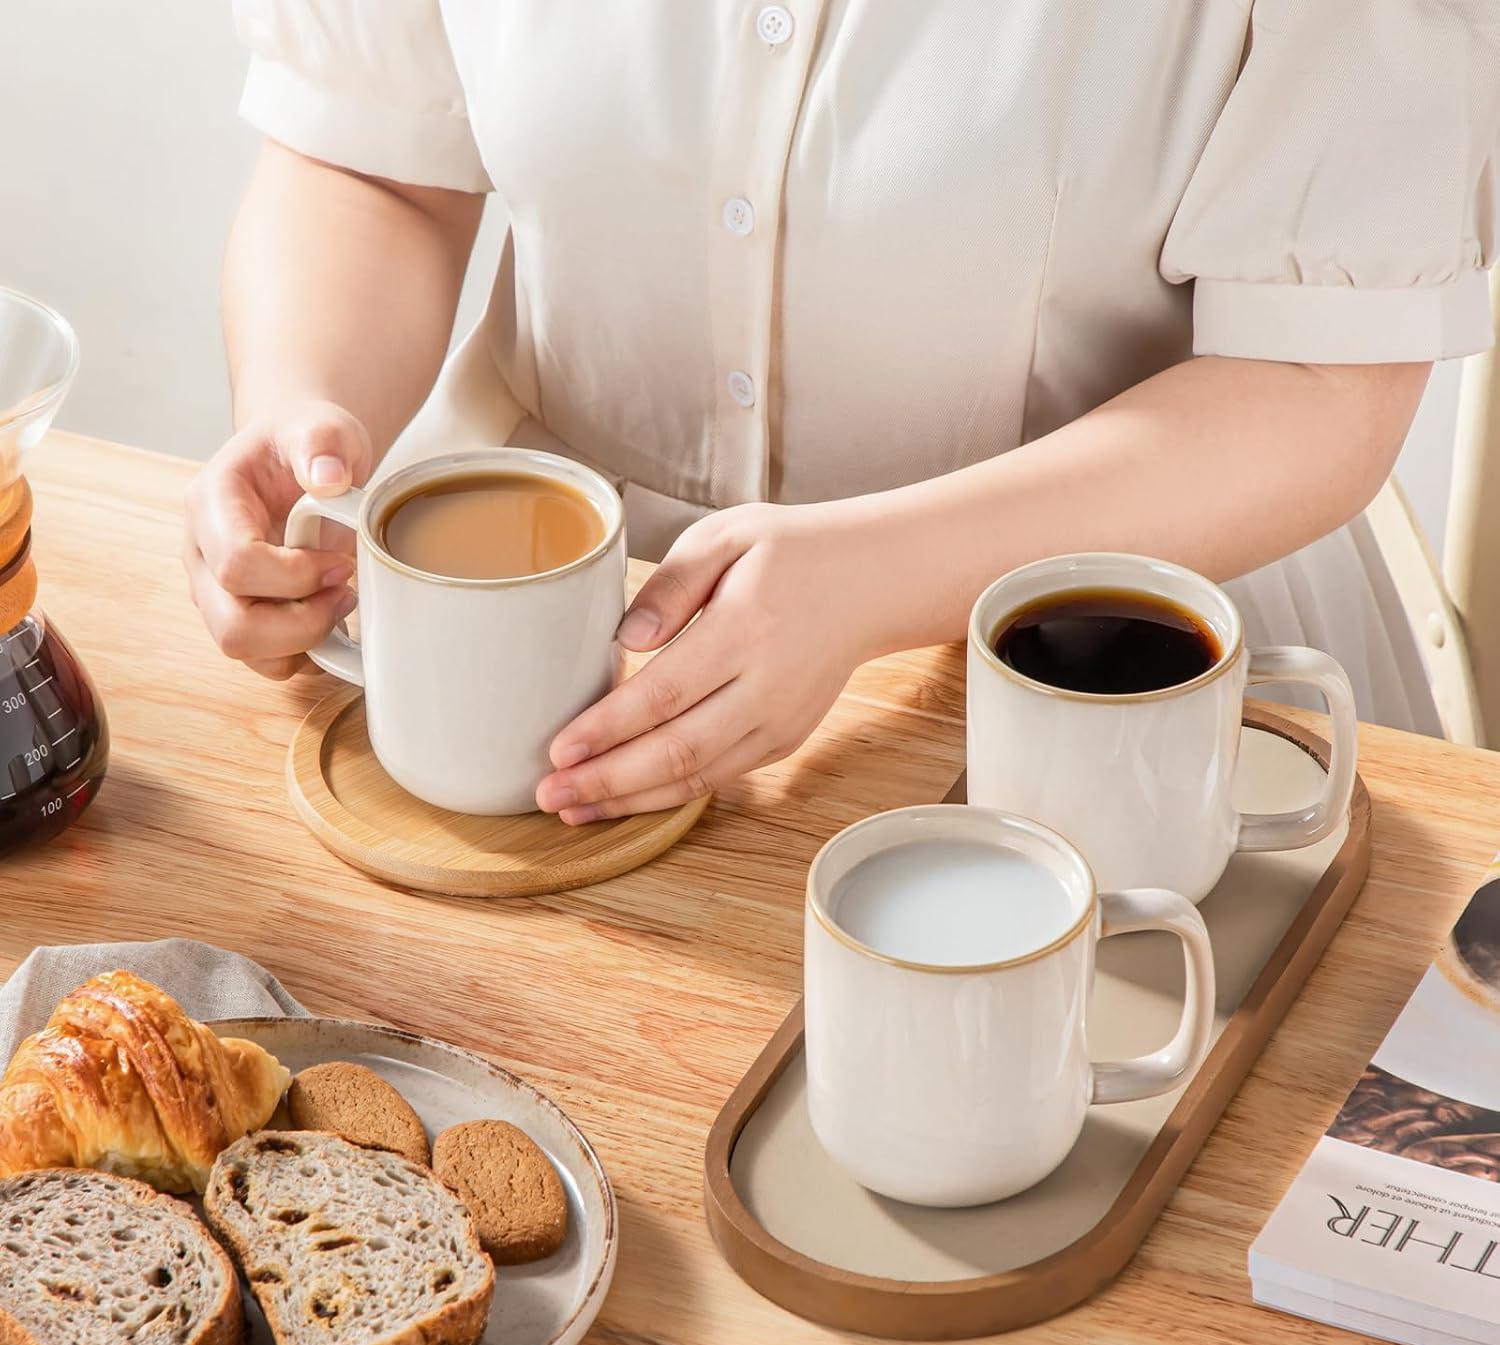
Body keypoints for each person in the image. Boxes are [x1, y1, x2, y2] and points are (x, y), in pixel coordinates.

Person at [185, 1, 1499, 824]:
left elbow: (1321, 385)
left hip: (1117, 663)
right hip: (532, 649)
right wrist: (304, 414)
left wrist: (877, 581)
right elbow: (374, 159)